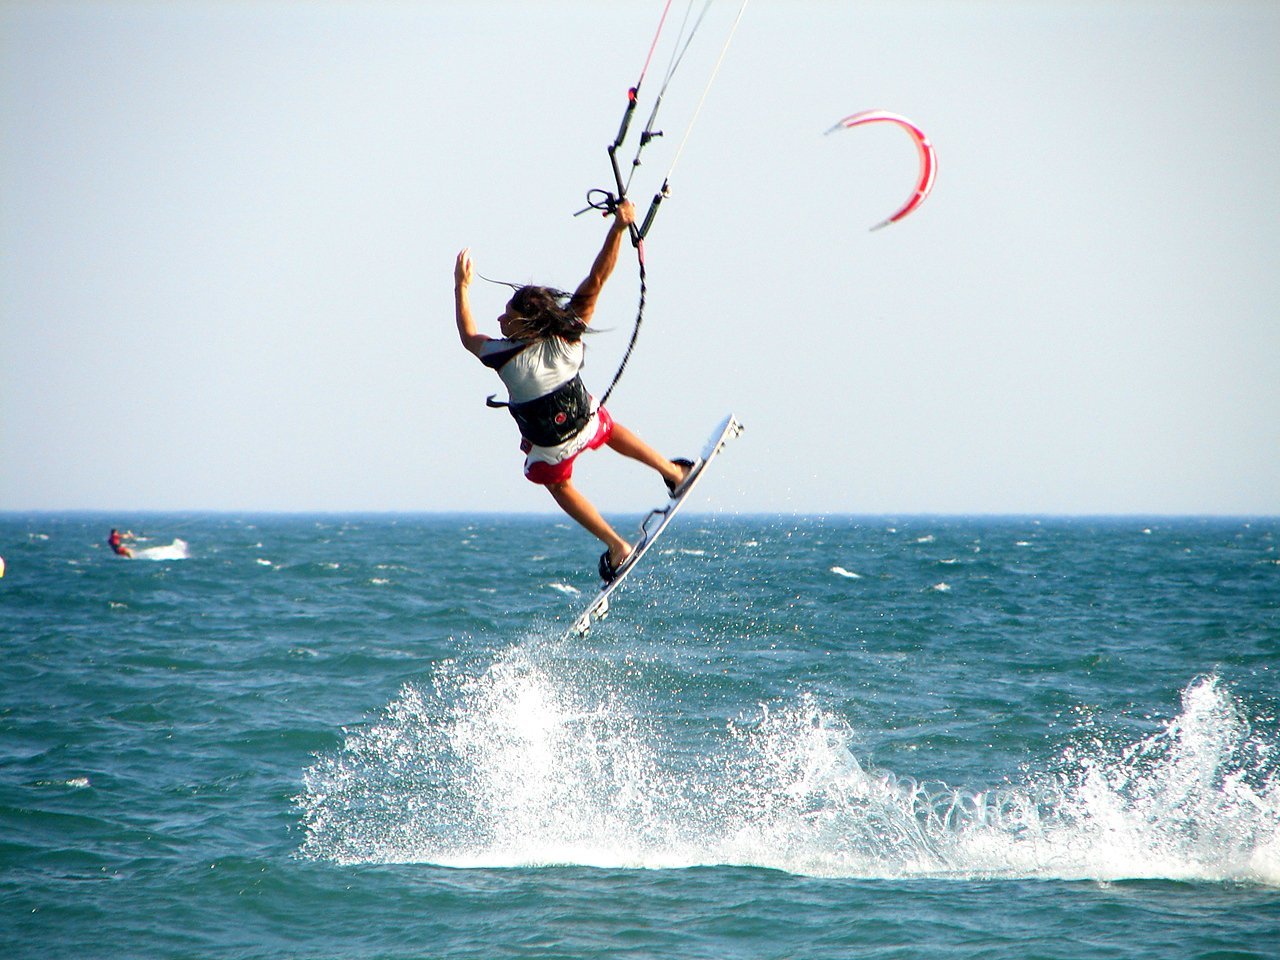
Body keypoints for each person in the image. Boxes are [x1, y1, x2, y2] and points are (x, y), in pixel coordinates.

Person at [454, 199, 694, 582]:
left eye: (507, 316)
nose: (499, 320)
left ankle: (618, 546)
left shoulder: (503, 355)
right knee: (607, 427)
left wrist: (461, 288)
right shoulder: (569, 334)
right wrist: (618, 228)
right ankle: (674, 473)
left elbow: (468, 335)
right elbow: (597, 278)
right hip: (585, 423)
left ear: (526, 324)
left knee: (559, 484)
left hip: (549, 449)